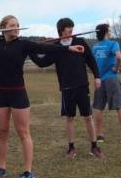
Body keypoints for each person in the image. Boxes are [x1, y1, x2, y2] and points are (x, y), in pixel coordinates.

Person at [0, 15, 84, 178]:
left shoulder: (23, 44)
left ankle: (28, 172)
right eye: (12, 25)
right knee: (2, 132)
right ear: (3, 27)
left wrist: (68, 49)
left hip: (18, 93)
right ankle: (1, 168)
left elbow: (46, 49)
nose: (16, 27)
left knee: (23, 132)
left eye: (18, 25)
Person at [30, 18, 104, 160]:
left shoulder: (80, 42)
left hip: (82, 86)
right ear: (61, 31)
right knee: (70, 118)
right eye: (68, 28)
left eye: (72, 27)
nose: (71, 30)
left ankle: (94, 147)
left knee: (88, 117)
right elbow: (42, 62)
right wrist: (30, 51)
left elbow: (91, 60)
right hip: (67, 88)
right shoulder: (56, 47)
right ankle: (71, 148)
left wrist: (97, 76)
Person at [92, 23, 121, 144]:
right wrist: (116, 69)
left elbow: (93, 63)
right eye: (109, 31)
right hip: (112, 79)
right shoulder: (113, 43)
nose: (110, 33)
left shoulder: (95, 47)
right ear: (106, 32)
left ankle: (99, 135)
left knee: (98, 107)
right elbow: (119, 57)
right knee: (119, 106)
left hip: (99, 80)